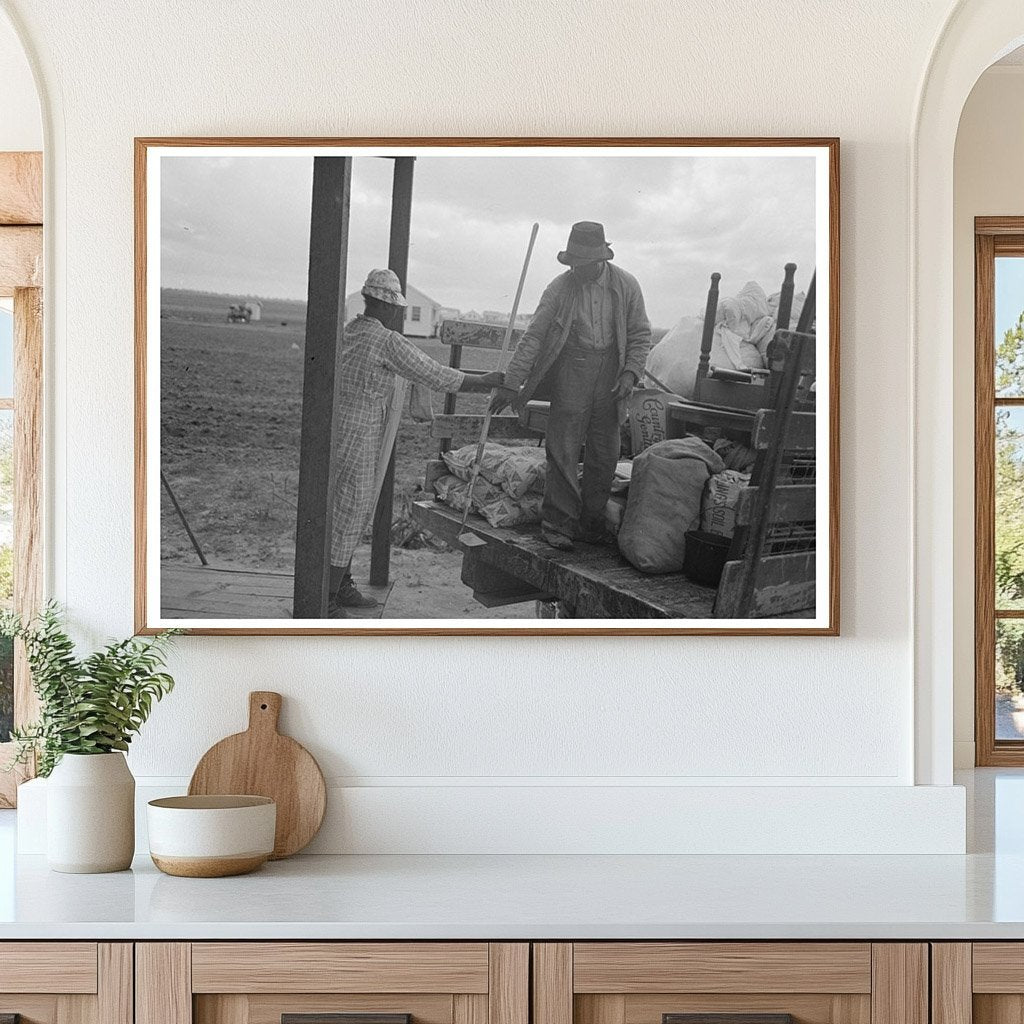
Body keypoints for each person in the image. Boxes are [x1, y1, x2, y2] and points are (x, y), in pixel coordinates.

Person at [329, 269, 503, 617]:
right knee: (353, 509)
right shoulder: (386, 340)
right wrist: (484, 381)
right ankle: (328, 599)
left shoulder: (353, 331)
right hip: (361, 433)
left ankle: (339, 584)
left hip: (339, 429)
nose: (400, 316)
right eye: (398, 310)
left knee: (342, 507)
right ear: (387, 307)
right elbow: (433, 372)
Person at [490, 222, 651, 550]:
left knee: (605, 452)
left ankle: (591, 524)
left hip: (612, 373)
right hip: (572, 370)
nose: (576, 270)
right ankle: (558, 524)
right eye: (572, 264)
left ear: (601, 259)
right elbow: (534, 336)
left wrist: (630, 374)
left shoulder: (627, 285)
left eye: (583, 264)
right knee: (562, 448)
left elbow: (639, 334)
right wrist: (510, 383)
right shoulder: (559, 288)